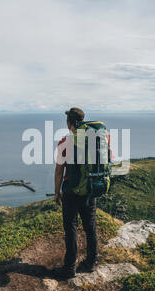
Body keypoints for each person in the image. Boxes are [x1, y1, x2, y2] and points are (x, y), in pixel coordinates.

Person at [53, 107, 98, 279]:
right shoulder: (96, 140)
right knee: (90, 227)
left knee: (71, 229)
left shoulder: (65, 142)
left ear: (69, 123)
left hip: (71, 192)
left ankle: (69, 268)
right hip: (89, 190)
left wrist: (56, 193)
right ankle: (90, 263)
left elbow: (59, 171)